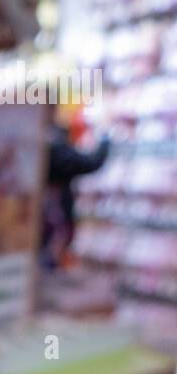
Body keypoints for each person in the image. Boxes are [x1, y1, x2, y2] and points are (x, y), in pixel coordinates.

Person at [43, 115, 110, 268]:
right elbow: (91, 163)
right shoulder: (56, 145)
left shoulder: (41, 139)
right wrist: (105, 138)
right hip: (54, 207)